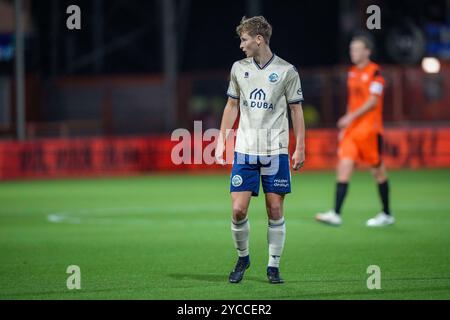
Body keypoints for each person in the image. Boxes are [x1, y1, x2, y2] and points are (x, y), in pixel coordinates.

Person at [215, 16, 305, 284]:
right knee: (238, 210)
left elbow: (296, 110)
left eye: (244, 39)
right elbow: (232, 106)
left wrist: (299, 148)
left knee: (275, 209)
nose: (241, 45)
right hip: (245, 150)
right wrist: (222, 139)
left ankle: (273, 266)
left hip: (275, 151)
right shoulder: (238, 69)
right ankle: (243, 257)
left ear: (258, 39)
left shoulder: (287, 71)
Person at [315, 35, 394, 227]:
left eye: (357, 49)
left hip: (370, 130)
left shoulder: (375, 73)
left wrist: (350, 117)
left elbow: (373, 101)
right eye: (352, 49)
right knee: (344, 166)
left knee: (378, 172)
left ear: (367, 51)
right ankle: (336, 213)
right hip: (353, 131)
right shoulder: (351, 73)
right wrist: (347, 124)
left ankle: (386, 214)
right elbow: (353, 101)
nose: (353, 52)